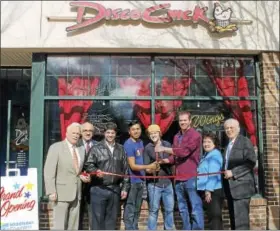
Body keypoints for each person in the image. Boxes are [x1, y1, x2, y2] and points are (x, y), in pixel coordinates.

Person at [156, 111, 204, 230]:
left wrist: (163, 148)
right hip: (178, 177)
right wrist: (165, 161)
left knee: (195, 207)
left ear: (190, 121)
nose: (182, 122)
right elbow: (175, 156)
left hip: (191, 177)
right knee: (182, 208)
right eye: (180, 120)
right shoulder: (176, 136)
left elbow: (183, 152)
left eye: (185, 120)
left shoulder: (195, 135)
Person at [44, 122, 91, 230]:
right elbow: (49, 171)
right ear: (66, 133)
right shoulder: (56, 147)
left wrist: (83, 176)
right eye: (73, 133)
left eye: (78, 134)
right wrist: (51, 191)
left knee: (73, 226)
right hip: (60, 194)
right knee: (59, 226)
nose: (76, 135)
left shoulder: (81, 149)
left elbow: (77, 171)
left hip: (77, 193)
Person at [84, 122, 130, 230]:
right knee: (97, 221)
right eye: (108, 132)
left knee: (111, 221)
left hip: (114, 189)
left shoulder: (121, 149)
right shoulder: (96, 148)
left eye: (112, 133)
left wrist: (125, 188)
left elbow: (125, 170)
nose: (110, 135)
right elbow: (88, 164)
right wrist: (95, 171)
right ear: (104, 133)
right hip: (98, 189)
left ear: (115, 134)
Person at [123, 120, 158, 230]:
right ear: (129, 131)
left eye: (138, 129)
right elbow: (133, 166)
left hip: (141, 181)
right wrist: (149, 166)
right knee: (130, 208)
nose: (136, 131)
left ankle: (135, 228)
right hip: (132, 182)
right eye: (133, 129)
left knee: (137, 209)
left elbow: (141, 162)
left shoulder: (140, 142)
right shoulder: (128, 144)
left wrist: (149, 169)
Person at [223, 118, 256, 230]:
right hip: (230, 188)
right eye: (226, 128)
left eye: (231, 127)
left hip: (241, 188)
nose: (228, 130)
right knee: (234, 221)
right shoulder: (228, 145)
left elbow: (250, 162)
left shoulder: (244, 141)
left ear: (238, 129)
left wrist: (233, 172)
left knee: (241, 223)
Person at [144, 124, 175, 230]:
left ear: (160, 133)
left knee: (169, 210)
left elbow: (174, 158)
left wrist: (164, 161)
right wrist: (152, 169)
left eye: (155, 132)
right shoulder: (147, 148)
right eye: (151, 133)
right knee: (153, 211)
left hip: (168, 183)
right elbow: (146, 168)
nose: (153, 135)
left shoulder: (167, 144)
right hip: (154, 185)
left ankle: (169, 229)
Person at [197, 132, 223, 230]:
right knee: (212, 217)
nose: (206, 144)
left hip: (213, 191)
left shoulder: (215, 155)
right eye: (204, 142)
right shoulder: (207, 155)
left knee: (214, 217)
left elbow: (213, 174)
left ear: (214, 143)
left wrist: (208, 190)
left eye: (209, 142)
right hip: (208, 190)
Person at [77, 121, 98, 230]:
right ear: (81, 132)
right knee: (77, 217)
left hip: (93, 185)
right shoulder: (75, 144)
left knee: (93, 216)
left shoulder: (98, 146)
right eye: (85, 130)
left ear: (93, 133)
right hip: (78, 185)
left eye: (90, 131)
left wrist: (93, 175)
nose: (88, 133)